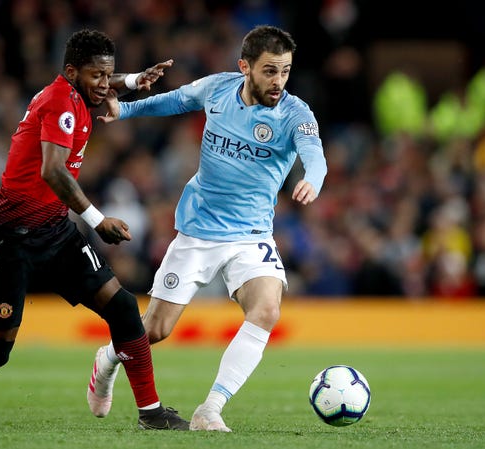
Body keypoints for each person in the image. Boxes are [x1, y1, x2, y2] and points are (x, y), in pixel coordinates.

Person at [0, 29, 189, 431]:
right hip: (9, 238)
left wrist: (133, 81)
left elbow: (99, 80)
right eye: (96, 76)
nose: (104, 84)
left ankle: (151, 413)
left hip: (53, 230)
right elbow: (52, 170)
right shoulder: (60, 103)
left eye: (108, 75)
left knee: (121, 307)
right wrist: (99, 222)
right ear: (71, 72)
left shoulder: (76, 90)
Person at [86, 25, 327, 432]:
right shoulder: (217, 89)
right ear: (244, 67)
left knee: (266, 310)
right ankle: (108, 357)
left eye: (285, 71)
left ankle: (210, 409)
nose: (278, 82)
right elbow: (174, 101)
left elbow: (314, 155)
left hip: (252, 237)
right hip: (199, 232)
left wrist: (312, 181)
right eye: (270, 71)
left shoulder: (295, 114)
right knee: (155, 330)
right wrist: (125, 109)